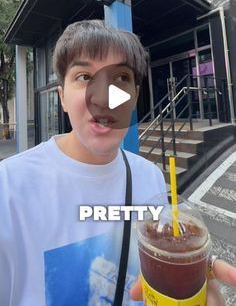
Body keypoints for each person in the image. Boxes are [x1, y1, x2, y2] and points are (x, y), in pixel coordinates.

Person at [0, 19, 235, 306]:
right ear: (62, 97)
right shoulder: (8, 188)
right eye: (85, 77)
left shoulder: (149, 176)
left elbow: (157, 255)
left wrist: (184, 274)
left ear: (134, 97)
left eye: (121, 79)